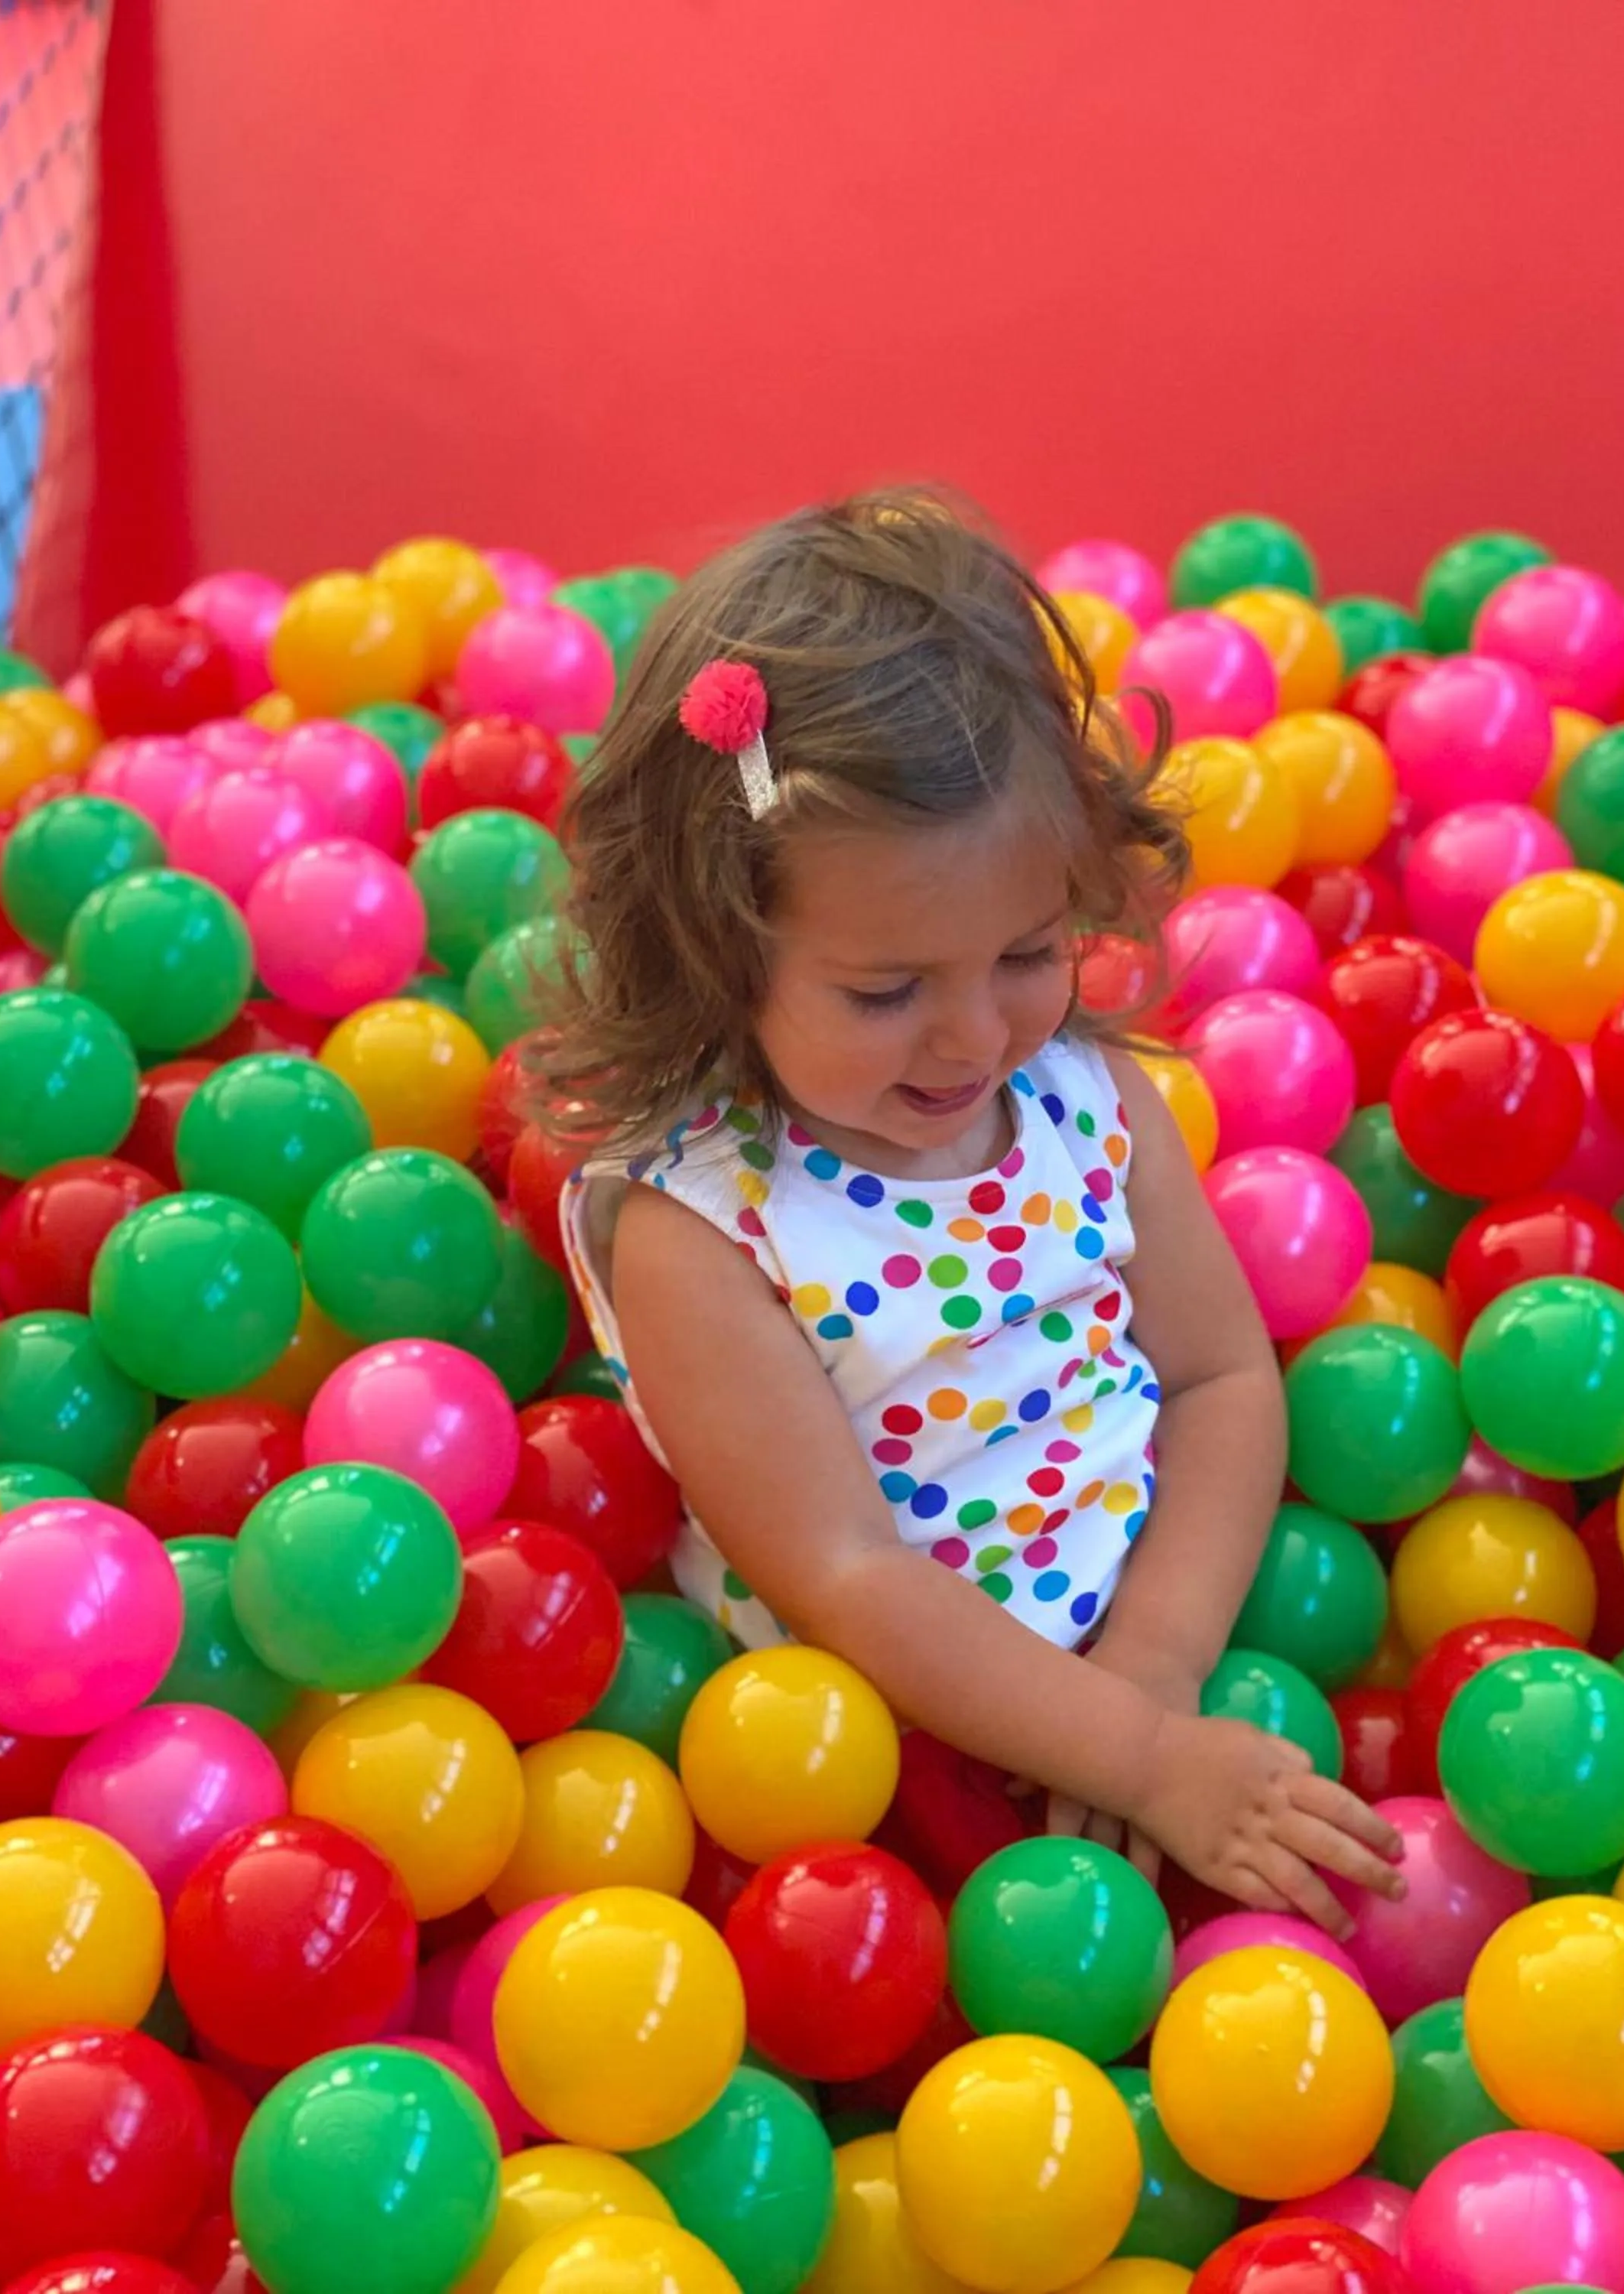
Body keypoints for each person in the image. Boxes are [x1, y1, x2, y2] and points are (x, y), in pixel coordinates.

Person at [544, 489, 1402, 1935]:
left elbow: (1217, 1373)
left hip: (1191, 1633)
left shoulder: (1081, 1096)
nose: (968, 1041)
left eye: (1022, 950)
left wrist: (1153, 1670)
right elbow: (842, 1574)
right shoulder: (700, 1229)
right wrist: (1129, 1749)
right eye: (883, 992)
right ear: (713, 948)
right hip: (883, 1768)